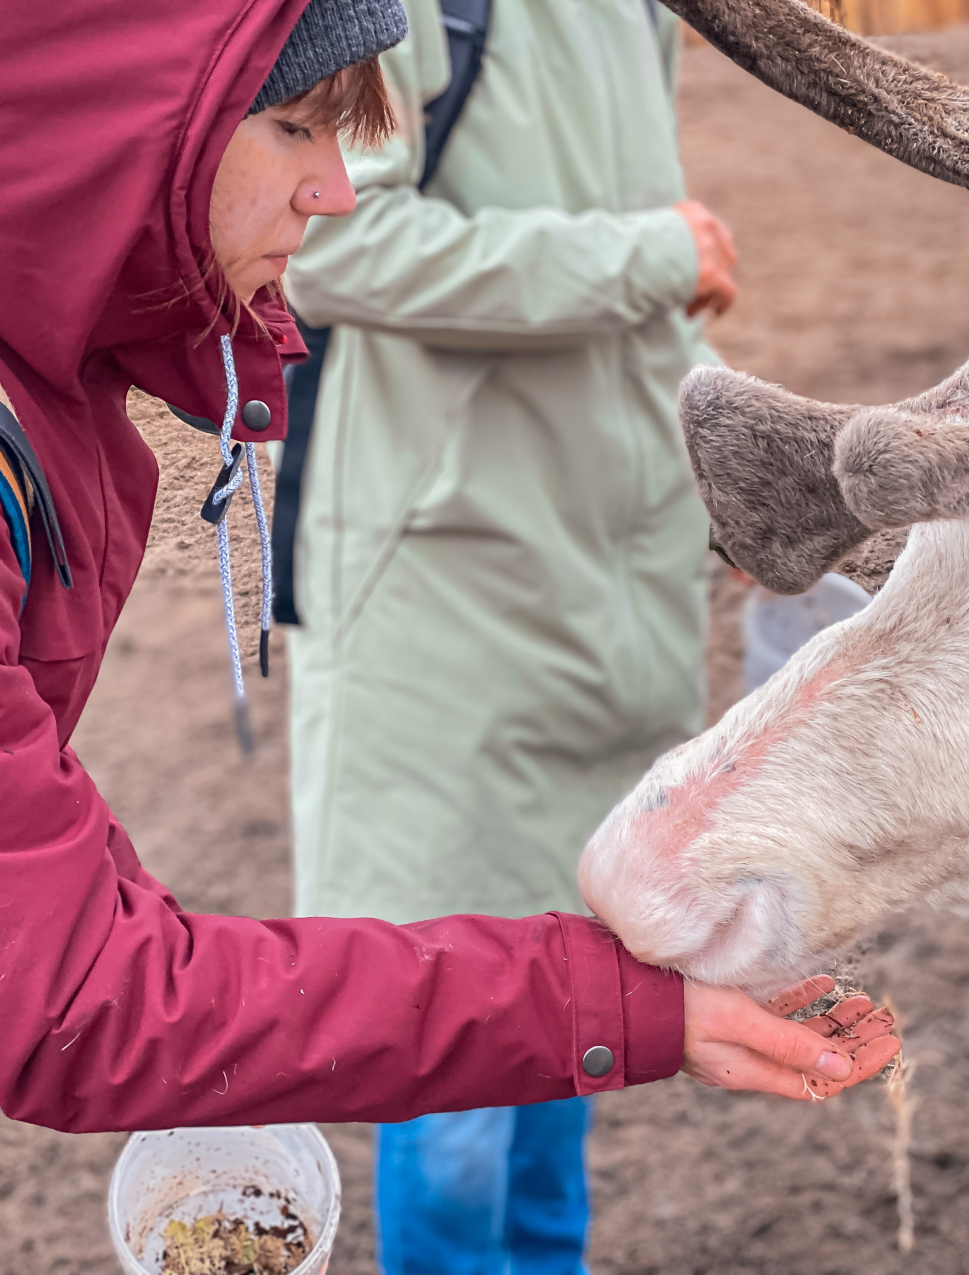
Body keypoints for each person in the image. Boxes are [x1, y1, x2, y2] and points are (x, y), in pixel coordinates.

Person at [0, 2, 900, 1273]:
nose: (337, 192)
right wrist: (623, 1010)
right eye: (296, 125)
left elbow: (20, 849)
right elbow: (92, 1005)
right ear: (89, 125)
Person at [278, 3, 742, 1269]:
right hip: (447, 590)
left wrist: (721, 477)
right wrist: (644, 257)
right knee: (451, 1013)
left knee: (571, 987)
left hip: (606, 574)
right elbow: (328, 242)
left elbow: (658, 274)